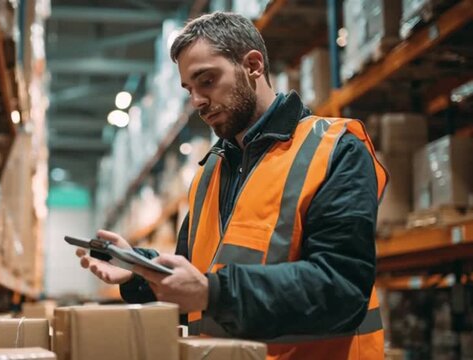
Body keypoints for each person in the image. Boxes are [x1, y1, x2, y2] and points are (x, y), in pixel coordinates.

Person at [76, 12, 388, 360]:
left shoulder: (335, 149)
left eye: (206, 81)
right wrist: (138, 268)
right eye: (189, 90)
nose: (196, 101)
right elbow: (191, 280)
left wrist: (214, 293)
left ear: (253, 66)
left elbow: (342, 289)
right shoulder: (212, 172)